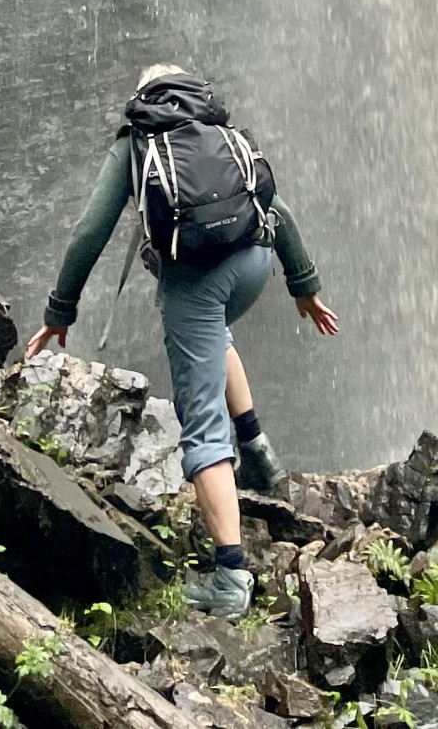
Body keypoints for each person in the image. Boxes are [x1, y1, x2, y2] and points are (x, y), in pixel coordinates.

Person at [25, 65, 339, 619]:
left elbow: (89, 231)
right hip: (253, 262)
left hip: (195, 283)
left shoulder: (138, 138)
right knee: (215, 334)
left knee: (200, 424)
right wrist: (304, 286)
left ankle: (231, 576)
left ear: (143, 95)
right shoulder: (221, 128)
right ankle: (260, 455)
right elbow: (278, 208)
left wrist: (59, 311)